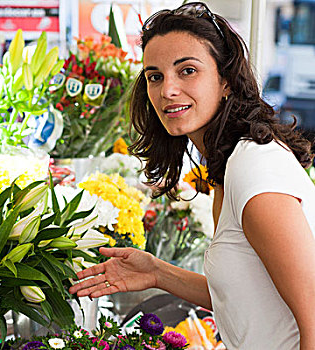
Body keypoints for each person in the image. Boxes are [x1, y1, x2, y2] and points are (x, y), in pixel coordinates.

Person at [69, 2, 315, 349]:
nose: (167, 90)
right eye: (155, 76)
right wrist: (156, 272)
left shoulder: (255, 168)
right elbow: (245, 301)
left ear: (226, 80)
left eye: (187, 71)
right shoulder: (229, 165)